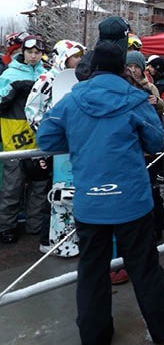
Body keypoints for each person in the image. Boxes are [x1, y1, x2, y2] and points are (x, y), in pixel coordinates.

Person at [36, 20, 164, 344]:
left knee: (92, 272)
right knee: (145, 267)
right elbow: (154, 141)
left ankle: (95, 335)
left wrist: (80, 139)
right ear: (122, 66)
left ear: (92, 69)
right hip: (131, 200)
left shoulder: (73, 100)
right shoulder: (134, 99)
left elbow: (47, 138)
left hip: (90, 202)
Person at [25, 39, 85, 254]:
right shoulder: (47, 78)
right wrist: (47, 133)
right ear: (63, 56)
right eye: (74, 56)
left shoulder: (81, 80)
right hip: (55, 147)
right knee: (56, 192)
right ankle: (47, 237)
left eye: (80, 56)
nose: (78, 60)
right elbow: (32, 110)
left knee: (74, 190)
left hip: (75, 145)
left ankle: (73, 235)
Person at [0, 35, 49, 245]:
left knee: (39, 186)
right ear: (23, 51)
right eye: (30, 52)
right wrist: (13, 89)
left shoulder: (45, 74)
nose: (33, 56)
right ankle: (6, 226)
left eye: (37, 52)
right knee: (13, 187)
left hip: (38, 138)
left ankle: (35, 224)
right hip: (14, 137)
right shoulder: (9, 74)